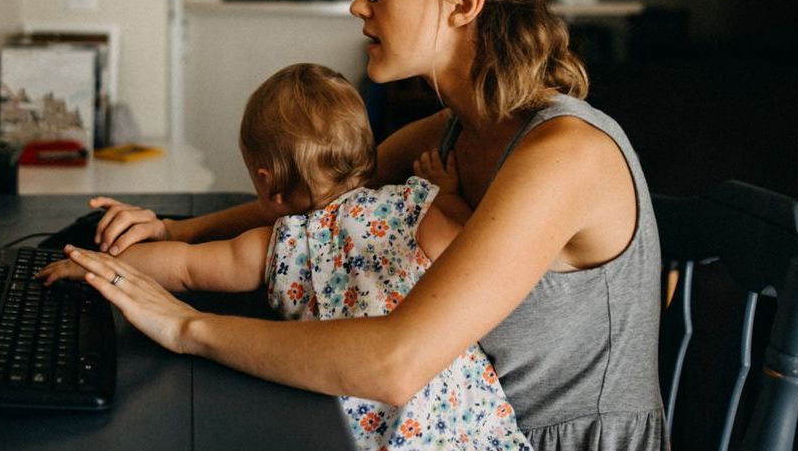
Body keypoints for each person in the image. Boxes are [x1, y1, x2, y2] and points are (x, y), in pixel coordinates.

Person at [63, 0, 665, 450]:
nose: (358, 3)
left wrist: (183, 326)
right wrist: (175, 232)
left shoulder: (563, 156)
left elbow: (395, 362)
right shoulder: (454, 130)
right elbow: (325, 202)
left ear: (464, 2)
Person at [40, 63, 531, 450]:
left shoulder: (278, 244)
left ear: (267, 184)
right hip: (459, 425)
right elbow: (464, 236)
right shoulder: (417, 207)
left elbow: (184, 269)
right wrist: (445, 190)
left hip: (352, 429)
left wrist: (97, 266)